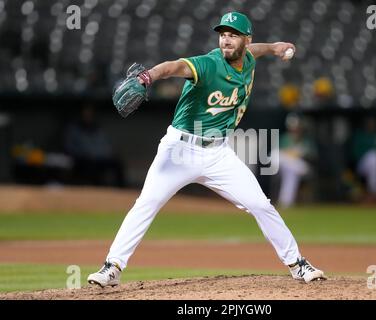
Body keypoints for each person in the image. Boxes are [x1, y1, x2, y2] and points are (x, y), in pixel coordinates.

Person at [88, 12, 325, 287]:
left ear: (246, 40)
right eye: (223, 34)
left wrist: (274, 48)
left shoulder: (247, 57)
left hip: (218, 153)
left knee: (260, 205)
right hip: (180, 149)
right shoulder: (208, 64)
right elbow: (172, 67)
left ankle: (297, 264)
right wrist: (146, 78)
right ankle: (112, 267)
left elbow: (256, 51)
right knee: (146, 204)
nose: (226, 39)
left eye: (233, 35)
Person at [64, 104, 125, 188]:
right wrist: (84, 154)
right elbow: (70, 148)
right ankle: (94, 189)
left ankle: (120, 189)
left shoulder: (97, 129)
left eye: (90, 115)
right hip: (83, 159)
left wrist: (107, 154)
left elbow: (106, 146)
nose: (88, 117)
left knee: (117, 163)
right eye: (86, 114)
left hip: (99, 158)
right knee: (90, 166)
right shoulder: (74, 129)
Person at [276, 113, 317, 208]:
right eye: (292, 128)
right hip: (286, 168)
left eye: (296, 128)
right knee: (290, 170)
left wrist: (296, 154)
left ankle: (285, 201)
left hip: (303, 167)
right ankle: (286, 202)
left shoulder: (306, 140)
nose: (295, 130)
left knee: (290, 164)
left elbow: (311, 155)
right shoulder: (285, 138)